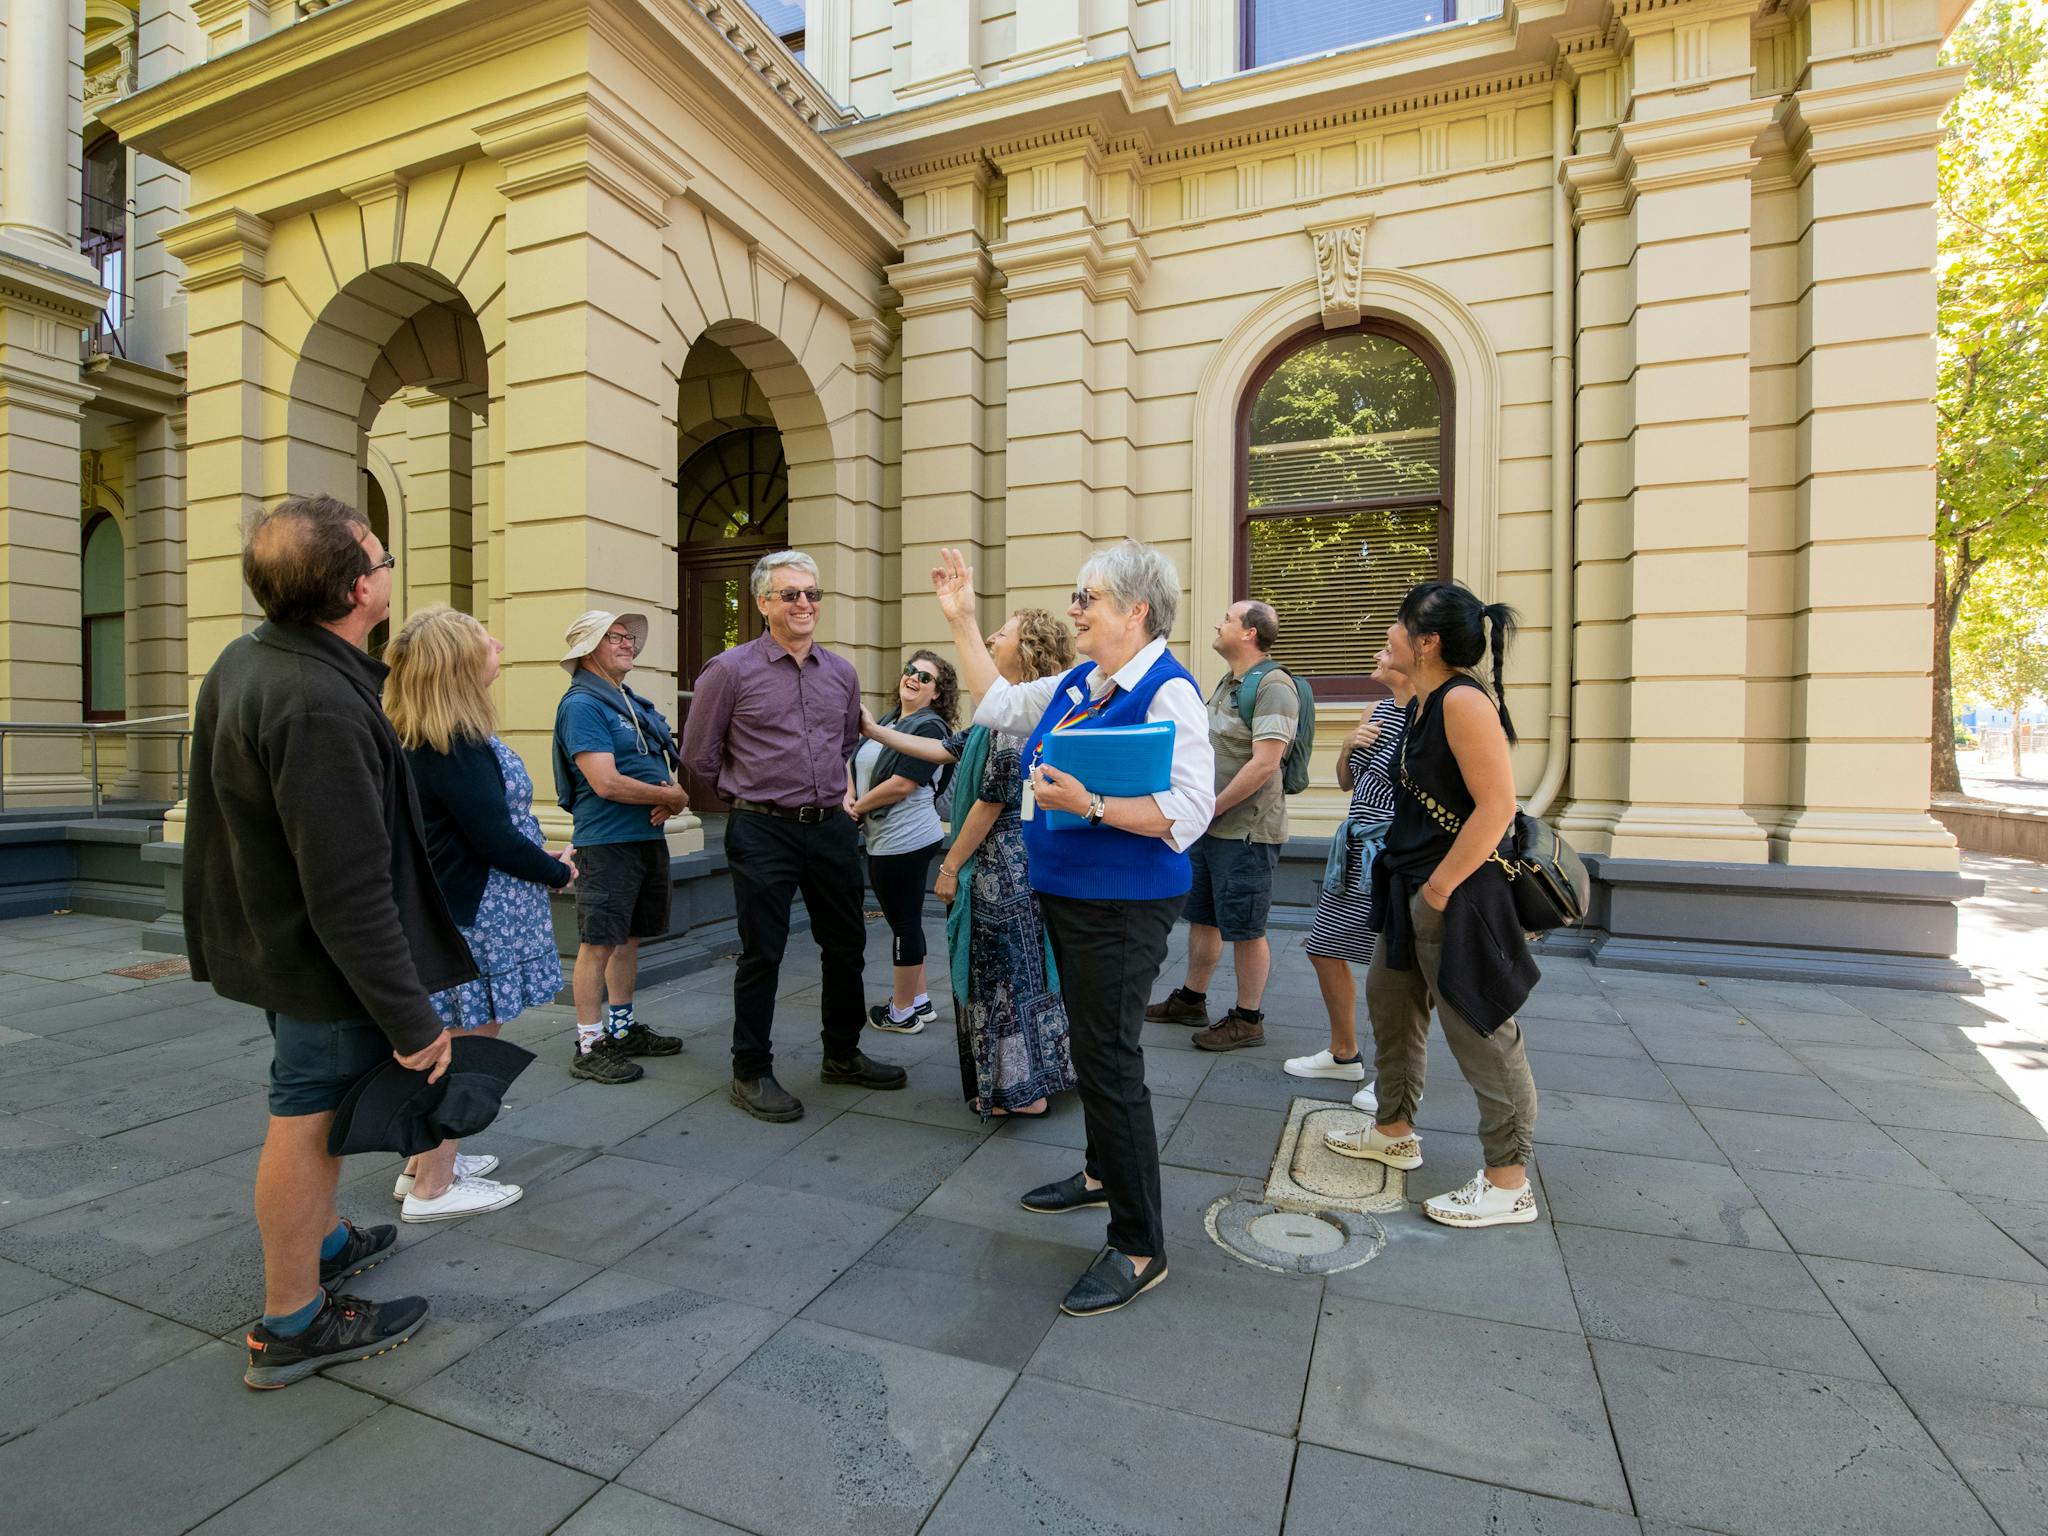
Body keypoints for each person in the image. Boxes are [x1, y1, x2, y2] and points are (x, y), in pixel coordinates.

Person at [185, 493, 464, 1388]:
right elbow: (348, 888)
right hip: (321, 962)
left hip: (279, 945)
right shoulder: (315, 701)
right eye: (380, 562)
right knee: (308, 1117)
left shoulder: (252, 656)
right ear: (353, 588)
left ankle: (329, 1241)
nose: (388, 572)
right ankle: (294, 1320)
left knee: (313, 1107)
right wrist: (412, 1018)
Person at [931, 542, 1215, 1317]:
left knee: (1109, 1059)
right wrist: (962, 621)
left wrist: (1088, 806)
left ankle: (1139, 1245)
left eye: (1089, 597)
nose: (1076, 609)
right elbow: (998, 705)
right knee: (1090, 1043)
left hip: (1121, 906)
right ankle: (1099, 1174)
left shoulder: (1168, 692)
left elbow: (1188, 815)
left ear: (1137, 611)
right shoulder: (1084, 682)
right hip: (1072, 896)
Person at [1325, 581, 1543, 1230]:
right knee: (1391, 1012)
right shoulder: (1420, 701)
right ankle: (1392, 1130)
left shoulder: (1462, 702)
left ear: (1428, 642)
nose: (1387, 632)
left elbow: (1497, 807)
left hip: (1454, 894)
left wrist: (1441, 889)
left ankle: (1509, 1182)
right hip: (1407, 887)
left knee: (1482, 1034)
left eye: (1399, 624)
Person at [680, 549, 908, 1122]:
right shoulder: (729, 670)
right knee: (763, 952)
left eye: (812, 594)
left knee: (847, 945)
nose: (805, 604)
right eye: (791, 594)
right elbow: (697, 759)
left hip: (830, 826)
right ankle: (750, 1069)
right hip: (762, 829)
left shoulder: (842, 673)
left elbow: (846, 746)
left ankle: (843, 1054)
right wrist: (742, 801)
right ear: (763, 603)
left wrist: (838, 796)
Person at [384, 605, 571, 1222]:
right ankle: (436, 1187)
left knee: (452, 1042)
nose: (498, 643)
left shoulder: (433, 737)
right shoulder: (454, 746)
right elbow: (491, 837)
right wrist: (557, 869)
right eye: (483, 641)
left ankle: (422, 1164)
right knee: (463, 1049)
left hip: (470, 910)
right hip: (480, 919)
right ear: (459, 664)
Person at [859, 609, 1078, 1118]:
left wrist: (949, 866)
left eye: (1002, 633)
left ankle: (1022, 1092)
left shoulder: (1014, 718)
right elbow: (942, 749)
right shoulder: (1008, 709)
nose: (991, 638)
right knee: (1017, 975)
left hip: (1001, 867)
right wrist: (874, 729)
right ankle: (1025, 1082)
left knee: (1002, 977)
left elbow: (991, 801)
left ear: (1025, 650)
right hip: (1014, 863)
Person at [1146, 600, 1299, 1051]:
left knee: (1246, 928)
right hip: (1212, 828)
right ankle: (1192, 1000)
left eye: (1227, 618)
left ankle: (1248, 1018)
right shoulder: (1230, 682)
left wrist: (1210, 807)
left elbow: (1265, 763)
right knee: (1204, 918)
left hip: (1246, 831)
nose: (1218, 621)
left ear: (1250, 633)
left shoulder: (1273, 686)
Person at [552, 610, 688, 1086]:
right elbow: (604, 781)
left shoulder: (624, 700)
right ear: (588, 647)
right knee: (598, 944)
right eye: (615, 637)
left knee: (627, 939)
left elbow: (653, 766)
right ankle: (589, 1045)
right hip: (608, 842)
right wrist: (668, 796)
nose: (627, 643)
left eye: (629, 637)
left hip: (642, 838)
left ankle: (622, 1030)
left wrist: (672, 797)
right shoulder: (583, 705)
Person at [1283, 647, 1415, 1110]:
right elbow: (1346, 782)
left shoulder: (1430, 714)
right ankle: (1344, 1054)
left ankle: (1395, 1078)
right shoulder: (1376, 709)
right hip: (1355, 848)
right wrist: (1345, 748)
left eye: (1386, 648)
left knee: (1395, 971)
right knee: (1323, 949)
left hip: (1395, 854)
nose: (1377, 655)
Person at [847, 648, 957, 1034]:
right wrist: (850, 794)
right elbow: (855, 760)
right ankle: (921, 1000)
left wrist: (857, 807)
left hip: (906, 839)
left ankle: (902, 1011)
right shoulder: (892, 720)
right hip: (884, 837)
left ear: (938, 693)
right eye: (911, 671)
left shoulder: (930, 729)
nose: (913, 678)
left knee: (904, 923)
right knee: (905, 921)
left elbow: (903, 783)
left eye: (925, 677)